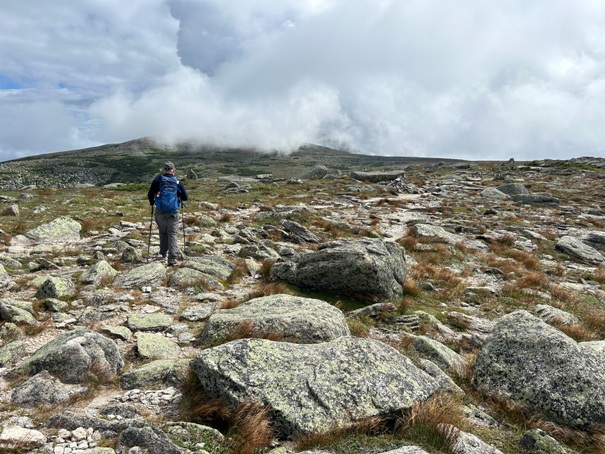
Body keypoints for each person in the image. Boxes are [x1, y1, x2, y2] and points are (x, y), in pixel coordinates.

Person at [147, 161, 189, 266]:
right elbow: (185, 197)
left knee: (163, 232)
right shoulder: (177, 182)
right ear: (173, 171)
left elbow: (150, 194)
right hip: (173, 211)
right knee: (172, 233)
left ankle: (162, 254)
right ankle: (172, 259)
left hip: (160, 211)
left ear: (164, 170)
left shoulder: (158, 180)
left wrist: (152, 202)